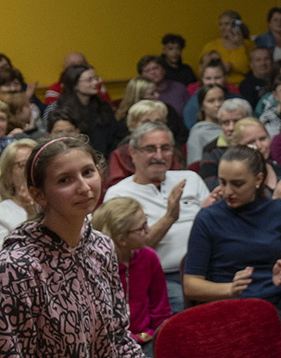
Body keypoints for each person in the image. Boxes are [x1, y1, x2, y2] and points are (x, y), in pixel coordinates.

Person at [0, 135, 143, 356]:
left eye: (88, 172)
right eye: (64, 180)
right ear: (39, 195)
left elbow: (118, 337)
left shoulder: (102, 246)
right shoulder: (17, 266)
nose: (84, 187)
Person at [184, 145, 281, 358]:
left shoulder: (280, 210)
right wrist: (230, 289)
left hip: (275, 299)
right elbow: (191, 284)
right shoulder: (208, 219)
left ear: (258, 180)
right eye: (223, 182)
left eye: (237, 184)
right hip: (233, 306)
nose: (227, 191)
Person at [104, 122, 218, 313]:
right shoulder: (119, 194)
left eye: (165, 148)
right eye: (150, 149)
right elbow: (130, 249)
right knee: (186, 314)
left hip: (208, 268)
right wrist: (170, 217)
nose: (159, 156)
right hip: (162, 276)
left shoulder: (190, 178)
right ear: (133, 152)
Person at [94, 196, 172, 354]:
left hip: (147, 340)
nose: (148, 231)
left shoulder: (148, 257)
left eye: (146, 223)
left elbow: (161, 310)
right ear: (121, 239)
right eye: (141, 228)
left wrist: (156, 337)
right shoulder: (97, 267)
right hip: (110, 346)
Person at [229, 117, 281, 228]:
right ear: (238, 148)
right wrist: (276, 201)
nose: (259, 146)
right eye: (251, 142)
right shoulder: (237, 182)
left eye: (263, 139)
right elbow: (246, 226)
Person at [47, 63, 123, 156]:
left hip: (107, 158)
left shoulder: (104, 107)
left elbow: (115, 136)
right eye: (89, 80)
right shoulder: (61, 111)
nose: (95, 83)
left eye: (96, 78)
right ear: (74, 84)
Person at [106, 100, 184, 187]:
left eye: (157, 121)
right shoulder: (120, 154)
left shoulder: (171, 150)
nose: (152, 126)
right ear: (133, 125)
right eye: (146, 122)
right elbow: (117, 186)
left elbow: (177, 179)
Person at [118, 77, 189, 148]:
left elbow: (182, 135)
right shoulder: (125, 120)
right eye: (152, 94)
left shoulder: (167, 110)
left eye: (157, 91)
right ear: (138, 97)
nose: (157, 95)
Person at [200, 10, 255, 85]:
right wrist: (219, 68)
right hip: (217, 85)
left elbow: (247, 69)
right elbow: (200, 70)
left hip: (244, 85)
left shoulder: (249, 45)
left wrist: (239, 44)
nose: (222, 27)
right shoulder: (210, 46)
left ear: (236, 25)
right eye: (220, 24)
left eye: (227, 24)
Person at [0, 138, 37, 244]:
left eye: (34, 163)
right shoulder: (3, 213)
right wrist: (31, 212)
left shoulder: (56, 202)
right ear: (9, 173)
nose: (30, 170)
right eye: (22, 165)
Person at [185, 85, 225, 165]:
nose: (218, 104)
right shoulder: (198, 133)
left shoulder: (233, 128)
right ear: (202, 106)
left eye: (221, 99)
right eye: (211, 101)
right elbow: (195, 164)